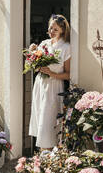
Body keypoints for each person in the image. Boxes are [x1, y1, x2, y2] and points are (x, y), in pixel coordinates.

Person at [28, 14, 71, 150]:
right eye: (50, 28)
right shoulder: (44, 44)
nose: (51, 32)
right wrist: (31, 54)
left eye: (55, 29)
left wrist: (51, 73)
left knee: (48, 120)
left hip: (54, 86)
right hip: (40, 84)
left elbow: (69, 75)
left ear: (63, 31)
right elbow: (33, 65)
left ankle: (49, 153)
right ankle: (42, 155)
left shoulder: (66, 47)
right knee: (40, 117)